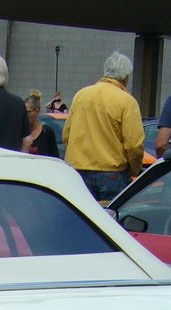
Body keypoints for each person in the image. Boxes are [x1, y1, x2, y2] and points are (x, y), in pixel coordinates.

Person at [62, 51, 146, 201]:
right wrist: (134, 169)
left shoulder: (81, 95)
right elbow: (134, 145)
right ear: (126, 77)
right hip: (112, 173)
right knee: (110, 218)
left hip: (78, 171)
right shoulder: (127, 101)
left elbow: (66, 135)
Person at [23, 90, 58, 157]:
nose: (24, 115)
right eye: (23, 111)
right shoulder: (19, 132)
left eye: (28, 112)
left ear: (37, 111)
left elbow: (55, 157)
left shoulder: (47, 132)